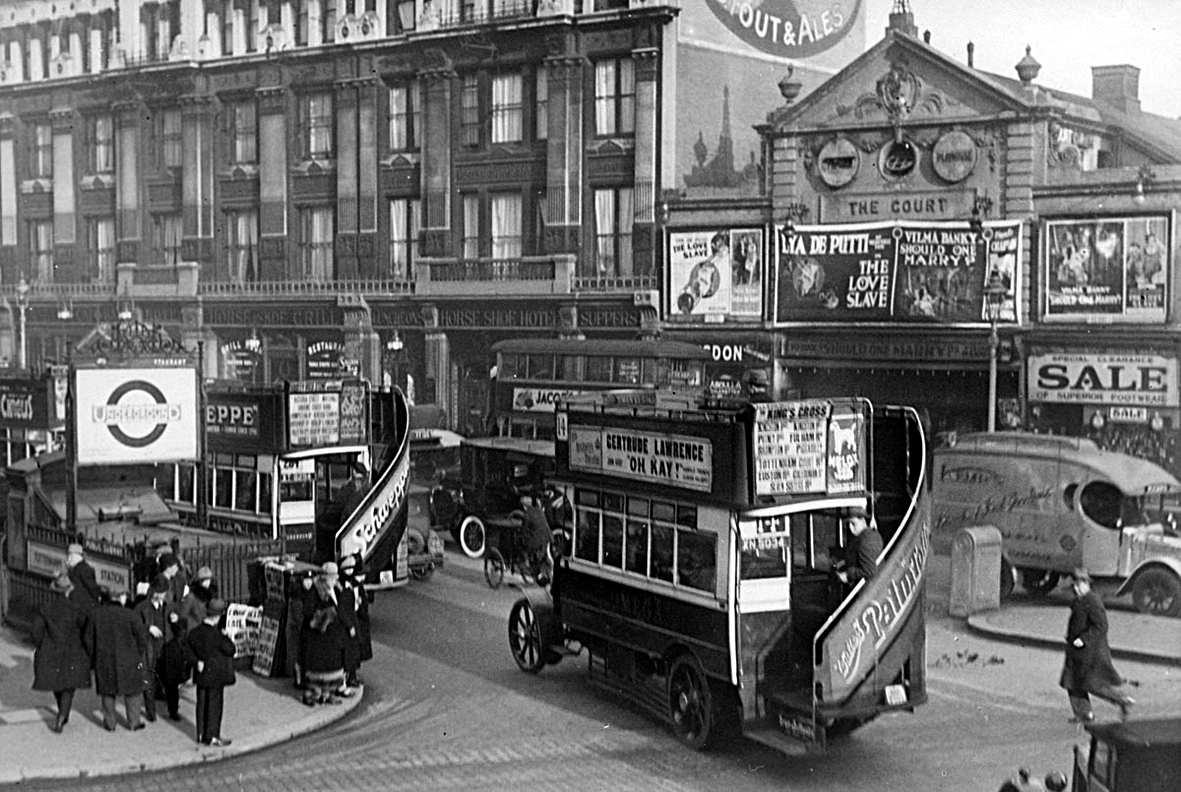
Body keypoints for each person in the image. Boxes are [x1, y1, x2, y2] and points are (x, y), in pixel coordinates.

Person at [1059, 568, 1135, 722]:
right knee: (1071, 681)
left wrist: (1084, 639)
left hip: (1090, 652)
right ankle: (1084, 714)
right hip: (1075, 650)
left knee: (1093, 684)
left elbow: (1101, 625)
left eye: (1079, 585)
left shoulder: (1092, 601)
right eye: (1074, 585)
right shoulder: (1078, 600)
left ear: (1087, 584)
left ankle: (1122, 700)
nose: (1076, 588)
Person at [31, 574, 92, 733]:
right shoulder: (76, 608)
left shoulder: (46, 608)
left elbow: (36, 631)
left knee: (56, 683)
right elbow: (85, 629)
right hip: (73, 651)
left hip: (51, 651)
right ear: (68, 590)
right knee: (69, 686)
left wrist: (41, 645)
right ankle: (62, 715)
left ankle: (61, 712)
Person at [86, 586, 149, 731]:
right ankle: (134, 722)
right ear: (121, 597)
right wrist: (138, 653)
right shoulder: (131, 615)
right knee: (133, 691)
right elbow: (142, 638)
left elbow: (88, 639)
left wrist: (94, 656)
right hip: (129, 658)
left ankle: (110, 723)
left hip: (104, 658)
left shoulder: (96, 614)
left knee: (107, 691)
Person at [184, 597, 236, 747]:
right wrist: (227, 637)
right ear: (218, 616)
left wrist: (196, 662)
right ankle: (212, 735)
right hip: (216, 675)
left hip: (201, 674)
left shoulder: (194, 633)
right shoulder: (218, 635)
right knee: (214, 705)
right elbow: (231, 650)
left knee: (201, 704)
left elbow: (187, 651)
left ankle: (201, 734)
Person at [299, 562, 347, 706]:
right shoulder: (315, 591)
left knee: (333, 667)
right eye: (332, 577)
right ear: (325, 577)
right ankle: (312, 694)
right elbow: (308, 613)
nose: (335, 580)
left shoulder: (337, 589)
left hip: (333, 638)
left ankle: (328, 694)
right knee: (319, 669)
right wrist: (327, 615)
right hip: (319, 639)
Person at [134, 577, 173, 722]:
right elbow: (134, 625)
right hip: (149, 648)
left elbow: (176, 628)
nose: (160, 596)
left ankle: (172, 710)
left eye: (162, 593)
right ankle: (151, 713)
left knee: (167, 679)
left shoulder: (168, 606)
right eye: (158, 592)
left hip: (165, 647)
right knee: (149, 679)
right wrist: (148, 628)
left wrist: (175, 621)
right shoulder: (142, 607)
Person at [337, 553, 372, 690]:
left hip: (359, 621)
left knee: (357, 650)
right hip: (350, 623)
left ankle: (352, 675)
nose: (362, 577)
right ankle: (349, 677)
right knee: (350, 652)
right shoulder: (345, 587)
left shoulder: (358, 587)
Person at [834, 506, 882, 587]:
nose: (851, 528)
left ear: (863, 521)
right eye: (848, 524)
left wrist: (848, 575)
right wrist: (844, 562)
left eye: (853, 523)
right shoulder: (871, 535)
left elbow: (869, 571)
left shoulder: (865, 541)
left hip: (868, 589)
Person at [511, 493, 554, 584]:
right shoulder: (539, 510)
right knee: (544, 555)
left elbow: (524, 530)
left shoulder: (527, 515)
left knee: (524, 545)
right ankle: (549, 573)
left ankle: (528, 562)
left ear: (524, 506)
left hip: (536, 540)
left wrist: (520, 537)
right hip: (547, 537)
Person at [178, 565, 217, 633]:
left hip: (208, 628)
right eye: (204, 580)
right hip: (194, 629)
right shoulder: (191, 596)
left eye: (208, 580)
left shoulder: (211, 594)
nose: (207, 583)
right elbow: (183, 614)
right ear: (199, 581)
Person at [65, 543, 102, 609]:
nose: (68, 558)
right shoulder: (76, 568)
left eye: (70, 555)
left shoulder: (84, 569)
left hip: (82, 605)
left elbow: (91, 586)